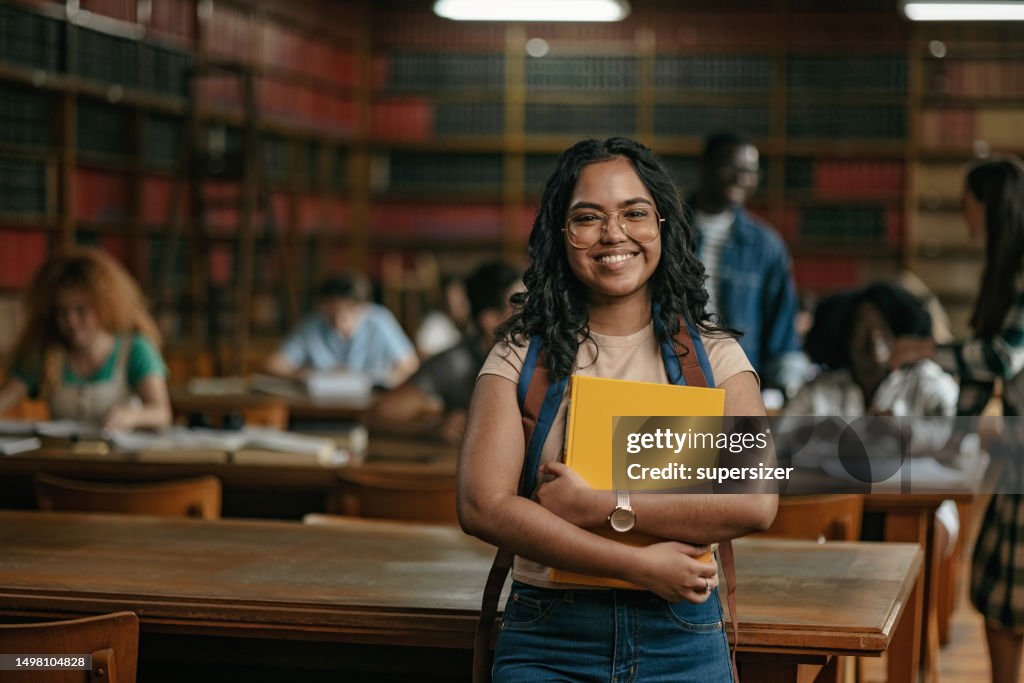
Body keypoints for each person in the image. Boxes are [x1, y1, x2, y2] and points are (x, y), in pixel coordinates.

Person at [458, 137, 777, 682]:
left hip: (681, 636)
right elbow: (482, 506)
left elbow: (754, 502)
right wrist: (638, 563)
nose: (614, 234)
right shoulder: (519, 354)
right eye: (588, 217)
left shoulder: (716, 357)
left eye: (634, 213)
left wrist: (603, 504)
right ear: (560, 236)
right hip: (548, 636)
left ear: (663, 225)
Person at [892, 156, 1024, 683]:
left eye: (967, 205)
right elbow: (980, 380)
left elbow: (999, 358)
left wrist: (926, 350)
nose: (965, 217)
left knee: (1004, 600)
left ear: (988, 206)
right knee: (997, 596)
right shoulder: (1003, 271)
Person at [687, 131, 808, 397]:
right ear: (705, 166)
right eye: (732, 166)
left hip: (736, 378)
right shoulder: (667, 231)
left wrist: (783, 389)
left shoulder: (766, 246)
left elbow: (782, 329)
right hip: (675, 372)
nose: (741, 178)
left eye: (750, 170)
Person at [0, 247, 171, 430]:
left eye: (81, 311)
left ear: (104, 306)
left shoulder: (135, 349)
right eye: (61, 312)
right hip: (63, 457)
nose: (71, 322)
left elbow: (161, 413)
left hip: (119, 456)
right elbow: (7, 397)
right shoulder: (48, 351)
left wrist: (132, 416)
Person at [369, 260, 521, 444]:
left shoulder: (545, 355)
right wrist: (432, 430)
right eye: (520, 306)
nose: (533, 314)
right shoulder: (457, 362)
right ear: (490, 319)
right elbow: (377, 416)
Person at [264, 270, 419, 388]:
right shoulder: (313, 324)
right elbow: (274, 364)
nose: (339, 321)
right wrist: (304, 375)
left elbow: (409, 365)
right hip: (320, 404)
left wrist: (381, 382)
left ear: (364, 307)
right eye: (332, 314)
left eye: (347, 313)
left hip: (369, 403)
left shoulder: (379, 321)